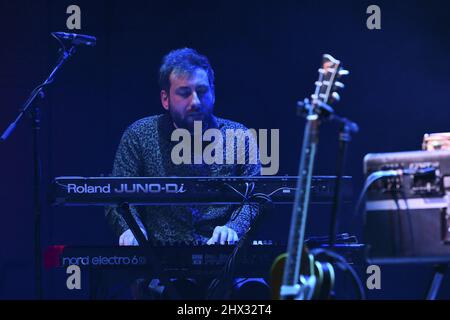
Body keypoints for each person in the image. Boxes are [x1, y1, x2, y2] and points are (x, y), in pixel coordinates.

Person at [105, 48, 261, 246]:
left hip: (225, 259)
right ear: (165, 99)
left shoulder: (239, 136)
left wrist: (233, 228)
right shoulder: (139, 135)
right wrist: (131, 229)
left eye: (202, 91)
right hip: (158, 260)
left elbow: (256, 196)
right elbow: (118, 195)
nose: (195, 102)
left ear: (213, 93)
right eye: (184, 93)